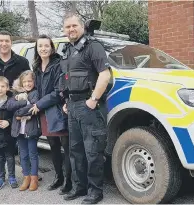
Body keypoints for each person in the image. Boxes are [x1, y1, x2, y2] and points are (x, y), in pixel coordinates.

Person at [61, 13, 111, 204]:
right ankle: (79, 187)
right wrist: (67, 100)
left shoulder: (93, 46)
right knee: (76, 151)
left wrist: (93, 99)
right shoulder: (68, 50)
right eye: (67, 27)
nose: (71, 29)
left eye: (74, 25)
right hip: (72, 106)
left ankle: (95, 192)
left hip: (89, 106)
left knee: (92, 152)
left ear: (82, 27)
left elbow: (104, 75)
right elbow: (68, 78)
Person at [0, 30, 30, 186]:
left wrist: (26, 97)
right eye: (1, 41)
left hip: (16, 107)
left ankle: (28, 173)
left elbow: (28, 81)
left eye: (7, 41)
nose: (4, 44)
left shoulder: (22, 61)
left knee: (21, 141)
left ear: (11, 42)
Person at [28, 35, 72, 195]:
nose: (43, 49)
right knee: (53, 146)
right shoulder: (37, 66)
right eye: (40, 46)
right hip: (45, 112)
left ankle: (68, 181)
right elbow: (34, 89)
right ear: (37, 48)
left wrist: (39, 104)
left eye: (46, 46)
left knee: (66, 147)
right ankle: (58, 177)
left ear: (52, 47)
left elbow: (59, 91)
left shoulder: (58, 64)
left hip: (59, 110)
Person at [7, 70, 41, 191]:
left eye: (30, 81)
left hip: (31, 129)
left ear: (34, 82)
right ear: (21, 82)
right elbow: (9, 106)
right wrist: (22, 102)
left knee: (33, 154)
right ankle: (26, 177)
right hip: (19, 130)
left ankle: (34, 178)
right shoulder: (15, 93)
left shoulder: (35, 93)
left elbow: (32, 107)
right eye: (25, 81)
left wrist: (19, 111)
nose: (27, 84)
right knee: (23, 155)